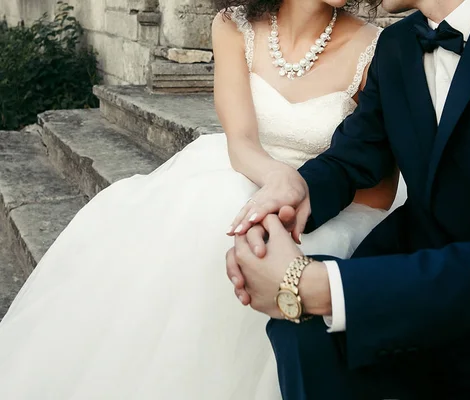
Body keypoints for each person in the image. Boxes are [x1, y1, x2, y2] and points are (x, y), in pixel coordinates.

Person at [0, 1, 404, 398]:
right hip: (247, 170)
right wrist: (281, 182)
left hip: (323, 203)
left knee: (274, 241)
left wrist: (296, 201)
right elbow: (241, 143)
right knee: (209, 209)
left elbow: (375, 186)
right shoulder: (234, 25)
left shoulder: (377, 47)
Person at [228, 0, 470, 398]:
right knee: (299, 326)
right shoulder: (397, 44)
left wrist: (315, 285)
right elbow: (354, 158)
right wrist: (293, 196)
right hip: (414, 301)